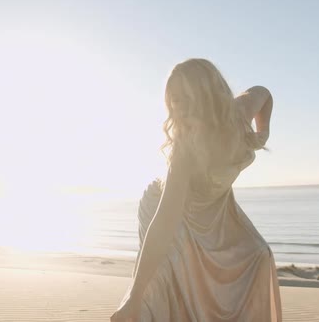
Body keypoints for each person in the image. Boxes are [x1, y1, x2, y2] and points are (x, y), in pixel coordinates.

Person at [111, 58, 282, 322]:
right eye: (173, 99)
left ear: (206, 94)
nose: (177, 107)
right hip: (166, 208)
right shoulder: (185, 149)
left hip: (216, 210)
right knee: (167, 277)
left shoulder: (237, 114)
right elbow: (163, 222)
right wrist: (134, 295)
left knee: (259, 254)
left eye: (183, 97)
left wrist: (265, 131)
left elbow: (264, 93)